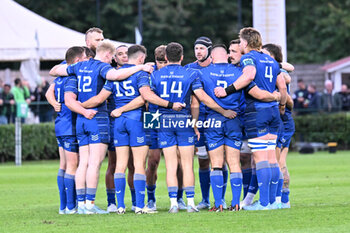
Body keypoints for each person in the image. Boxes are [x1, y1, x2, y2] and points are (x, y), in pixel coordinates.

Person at [49, 40, 154, 214]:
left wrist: (80, 108)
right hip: (96, 117)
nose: (111, 60)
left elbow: (54, 71)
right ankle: (90, 204)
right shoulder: (102, 68)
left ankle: (81, 204)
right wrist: (139, 67)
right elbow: (117, 76)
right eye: (111, 57)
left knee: (83, 162)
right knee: (95, 163)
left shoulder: (78, 67)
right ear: (107, 54)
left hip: (80, 119)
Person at [139, 42, 237, 213]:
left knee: (169, 164)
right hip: (184, 122)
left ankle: (173, 204)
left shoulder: (155, 75)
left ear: (166, 58)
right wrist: (221, 111)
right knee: (187, 164)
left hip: (164, 122)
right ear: (182, 57)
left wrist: (168, 105)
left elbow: (148, 97)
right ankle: (190, 203)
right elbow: (200, 99)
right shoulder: (190, 73)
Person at [214, 27, 287, 210]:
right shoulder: (270, 59)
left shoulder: (249, 58)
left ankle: (263, 204)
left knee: (260, 157)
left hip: (257, 112)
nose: (240, 44)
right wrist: (282, 104)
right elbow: (283, 87)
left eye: (240, 41)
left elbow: (249, 76)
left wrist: (227, 90)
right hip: (273, 113)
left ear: (245, 43)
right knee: (271, 158)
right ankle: (273, 202)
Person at [80, 45, 157, 214]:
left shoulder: (114, 76)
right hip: (135, 120)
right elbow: (144, 98)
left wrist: (79, 106)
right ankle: (139, 206)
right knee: (138, 165)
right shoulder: (141, 73)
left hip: (118, 122)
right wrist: (124, 109)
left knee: (119, 165)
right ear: (140, 59)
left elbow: (99, 98)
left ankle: (120, 206)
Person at [46, 46, 90, 214]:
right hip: (70, 125)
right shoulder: (73, 75)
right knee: (73, 165)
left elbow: (48, 92)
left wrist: (54, 103)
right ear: (78, 60)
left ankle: (63, 206)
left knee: (64, 165)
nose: (87, 60)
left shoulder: (61, 73)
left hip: (60, 124)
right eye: (85, 57)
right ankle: (71, 206)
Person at [262, 43, 295, 209]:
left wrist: (283, 106)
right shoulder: (269, 70)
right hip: (278, 119)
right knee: (274, 161)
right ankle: (281, 199)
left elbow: (287, 85)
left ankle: (282, 199)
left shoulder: (277, 71)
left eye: (266, 53)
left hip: (283, 121)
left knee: (278, 161)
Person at [184, 36, 215, 210]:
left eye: (202, 48)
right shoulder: (188, 69)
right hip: (197, 120)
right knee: (203, 160)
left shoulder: (218, 68)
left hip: (215, 118)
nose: (198, 52)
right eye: (196, 49)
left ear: (209, 50)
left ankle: (220, 199)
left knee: (218, 159)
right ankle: (205, 199)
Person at [145, 45, 168, 211]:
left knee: (179, 161)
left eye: (166, 62)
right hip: (152, 117)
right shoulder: (149, 73)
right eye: (161, 62)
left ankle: (179, 197)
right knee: (152, 161)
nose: (164, 65)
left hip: (173, 117)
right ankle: (151, 198)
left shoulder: (178, 72)